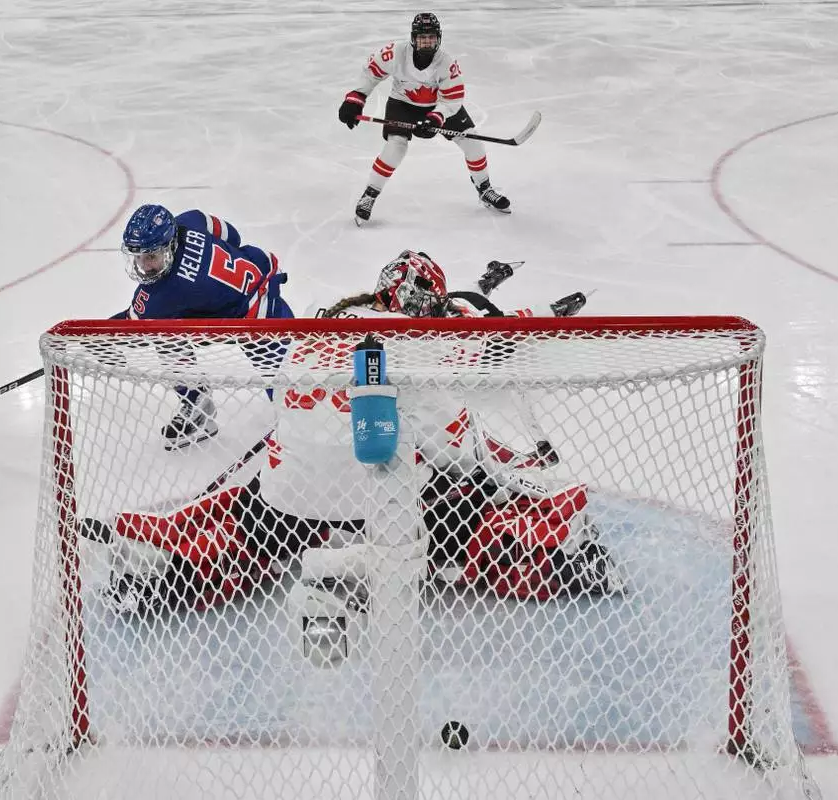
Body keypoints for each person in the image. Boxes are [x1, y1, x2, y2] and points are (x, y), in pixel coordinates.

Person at [100, 251, 621, 616]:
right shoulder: (416, 347)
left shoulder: (321, 322)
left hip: (292, 498)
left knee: (254, 510)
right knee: (465, 503)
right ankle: (552, 554)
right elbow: (452, 446)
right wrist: (484, 476)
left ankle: (172, 566)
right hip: (380, 506)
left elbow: (286, 406)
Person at [112, 203, 293, 449]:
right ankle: (198, 407)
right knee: (167, 332)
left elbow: (130, 327)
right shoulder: (190, 221)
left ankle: (299, 434)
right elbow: (231, 234)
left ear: (170, 244)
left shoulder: (163, 293)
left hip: (258, 319)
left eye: (151, 256)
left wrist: (95, 340)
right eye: (140, 257)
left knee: (293, 391)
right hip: (260, 277)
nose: (145, 266)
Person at [338, 13, 512, 226]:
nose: (427, 41)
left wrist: (436, 118)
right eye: (422, 37)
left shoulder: (447, 63)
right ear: (413, 38)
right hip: (402, 104)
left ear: (438, 38)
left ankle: (484, 189)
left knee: (472, 142)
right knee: (396, 147)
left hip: (439, 106)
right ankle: (369, 195)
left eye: (431, 37)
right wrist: (356, 98)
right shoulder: (395, 53)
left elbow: (452, 100)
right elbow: (371, 72)